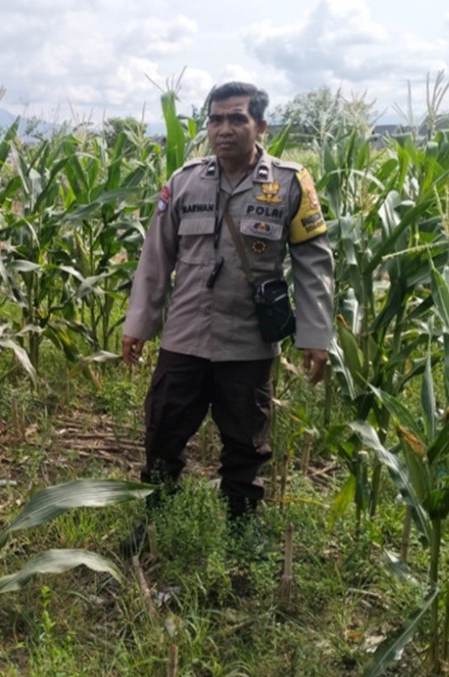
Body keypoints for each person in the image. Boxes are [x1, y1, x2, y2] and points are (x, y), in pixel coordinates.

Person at [120, 82, 334, 551]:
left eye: (237, 119)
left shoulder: (290, 184)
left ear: (261, 126)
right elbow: (156, 257)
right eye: (215, 119)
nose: (224, 129)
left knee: (246, 440)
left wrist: (316, 335)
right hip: (185, 336)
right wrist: (138, 324)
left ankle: (241, 526)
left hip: (247, 340)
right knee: (163, 431)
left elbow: (313, 263)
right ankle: (155, 519)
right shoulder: (184, 181)